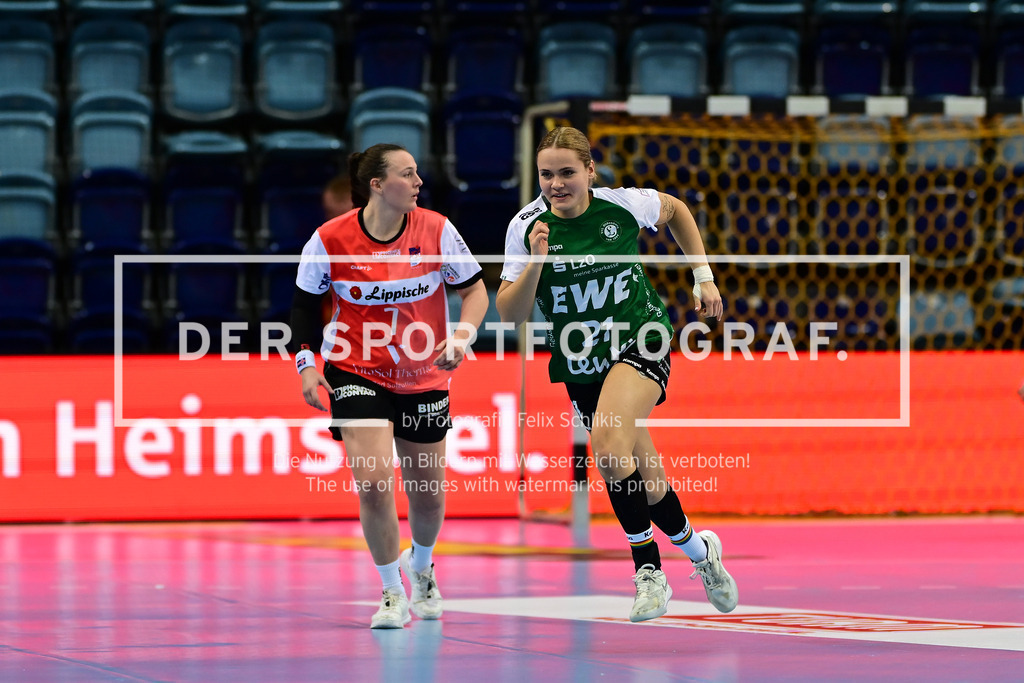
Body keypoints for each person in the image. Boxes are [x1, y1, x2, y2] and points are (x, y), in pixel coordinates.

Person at [496, 126, 738, 622]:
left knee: (606, 443)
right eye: (546, 174)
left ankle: (647, 570)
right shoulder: (526, 227)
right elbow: (510, 314)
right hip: (580, 358)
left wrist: (703, 275)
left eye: (567, 172)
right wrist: (536, 263)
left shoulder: (622, 205)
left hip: (640, 335)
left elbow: (677, 211)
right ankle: (699, 551)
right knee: (640, 471)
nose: (557, 184)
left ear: (589, 171)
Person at [291, 143, 488, 629]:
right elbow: (300, 308)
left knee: (428, 495)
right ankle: (391, 591)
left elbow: (474, 290)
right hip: (356, 370)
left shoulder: (438, 229)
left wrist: (461, 337)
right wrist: (307, 367)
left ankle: (421, 566)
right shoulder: (329, 239)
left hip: (423, 374)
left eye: (418, 172)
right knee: (375, 484)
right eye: (407, 173)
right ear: (377, 184)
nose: (419, 181)